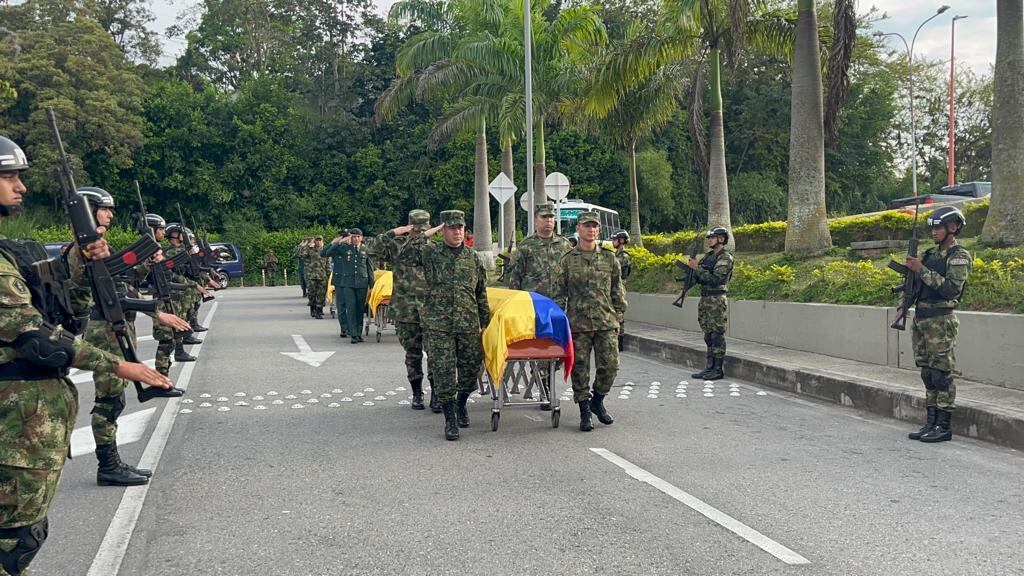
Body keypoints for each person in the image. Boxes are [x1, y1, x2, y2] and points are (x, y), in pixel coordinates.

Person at [0, 135, 172, 576]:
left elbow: (56, 303)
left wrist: (80, 260)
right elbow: (35, 336)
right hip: (14, 422)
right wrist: (118, 363)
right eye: (9, 176)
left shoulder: (9, 253)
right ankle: (109, 462)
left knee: (20, 535)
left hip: (26, 422)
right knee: (15, 540)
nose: (20, 187)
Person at [74, 188, 190, 487]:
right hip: (103, 330)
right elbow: (108, 293)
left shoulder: (98, 245)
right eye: (105, 209)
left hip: (116, 325)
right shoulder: (82, 249)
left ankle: (112, 463)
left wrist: (146, 264)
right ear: (88, 209)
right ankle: (108, 465)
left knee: (115, 399)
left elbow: (122, 283)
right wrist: (155, 311)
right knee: (109, 401)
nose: (111, 214)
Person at [400, 210, 489, 441]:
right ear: (443, 230)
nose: (457, 232)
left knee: (471, 369)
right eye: (451, 228)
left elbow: (481, 293)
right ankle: (450, 418)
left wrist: (485, 323)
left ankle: (461, 403)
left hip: (468, 323)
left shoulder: (472, 257)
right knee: (443, 371)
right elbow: (405, 255)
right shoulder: (430, 252)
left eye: (460, 227)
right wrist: (425, 234)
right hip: (438, 325)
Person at [553, 211, 627, 432]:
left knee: (611, 366)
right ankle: (584, 411)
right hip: (578, 324)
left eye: (594, 226)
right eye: (587, 226)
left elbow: (618, 291)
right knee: (580, 369)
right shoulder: (568, 260)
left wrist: (619, 320)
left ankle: (598, 400)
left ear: (599, 230)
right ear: (579, 229)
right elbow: (559, 293)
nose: (591, 230)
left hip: (606, 322)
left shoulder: (609, 258)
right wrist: (560, 323)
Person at [906, 206, 972, 443]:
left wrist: (920, 269)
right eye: (932, 228)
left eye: (939, 228)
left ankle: (944, 426)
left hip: (941, 320)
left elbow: (950, 289)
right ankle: (931, 421)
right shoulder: (929, 254)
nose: (934, 232)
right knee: (927, 373)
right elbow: (915, 284)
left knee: (941, 373)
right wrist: (904, 301)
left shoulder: (958, 256)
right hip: (922, 318)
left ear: (953, 228)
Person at [366, 211, 443, 410]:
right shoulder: (397, 246)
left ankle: (437, 393)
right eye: (416, 230)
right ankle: (417, 393)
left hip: (431, 309)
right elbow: (369, 250)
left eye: (423, 231)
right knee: (413, 354)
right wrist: (393, 232)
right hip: (405, 309)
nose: (419, 234)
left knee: (435, 353)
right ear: (409, 228)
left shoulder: (435, 248)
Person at [507, 202, 573, 404]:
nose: (549, 221)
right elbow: (515, 279)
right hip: (534, 308)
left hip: (558, 306)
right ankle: (545, 387)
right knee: (541, 347)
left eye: (551, 218)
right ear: (536, 220)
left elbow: (571, 275)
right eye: (544, 218)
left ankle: (546, 381)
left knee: (557, 348)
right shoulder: (526, 246)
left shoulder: (564, 246)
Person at [687, 227, 734, 381]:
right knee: (708, 335)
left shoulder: (725, 258)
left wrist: (697, 268)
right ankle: (709, 367)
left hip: (716, 300)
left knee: (717, 336)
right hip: (705, 300)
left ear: (721, 239)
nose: (709, 240)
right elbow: (699, 277)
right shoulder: (708, 257)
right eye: (708, 238)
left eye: (712, 237)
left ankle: (718, 369)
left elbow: (716, 279)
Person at [321, 228, 374, 343]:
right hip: (348, 283)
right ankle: (353, 334)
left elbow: (369, 268)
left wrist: (372, 284)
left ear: (362, 237)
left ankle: (359, 333)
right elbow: (326, 253)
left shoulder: (366, 249)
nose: (356, 239)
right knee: (351, 308)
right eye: (353, 236)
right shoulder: (344, 248)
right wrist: (339, 241)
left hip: (362, 283)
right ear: (351, 237)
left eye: (358, 236)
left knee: (360, 309)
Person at [611, 229, 632, 351]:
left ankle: (620, 343)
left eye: (615, 239)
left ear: (621, 240)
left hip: (620, 287)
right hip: (615, 285)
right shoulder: (616, 255)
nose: (613, 242)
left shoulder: (624, 256)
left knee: (619, 314)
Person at [303, 236, 329, 318]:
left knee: (321, 294)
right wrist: (308, 246)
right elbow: (303, 254)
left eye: (320, 240)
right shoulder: (310, 250)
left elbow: (328, 264)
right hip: (312, 275)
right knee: (312, 293)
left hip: (322, 275)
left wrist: (329, 275)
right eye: (316, 240)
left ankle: (318, 311)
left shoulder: (325, 251)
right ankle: (312, 309)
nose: (318, 242)